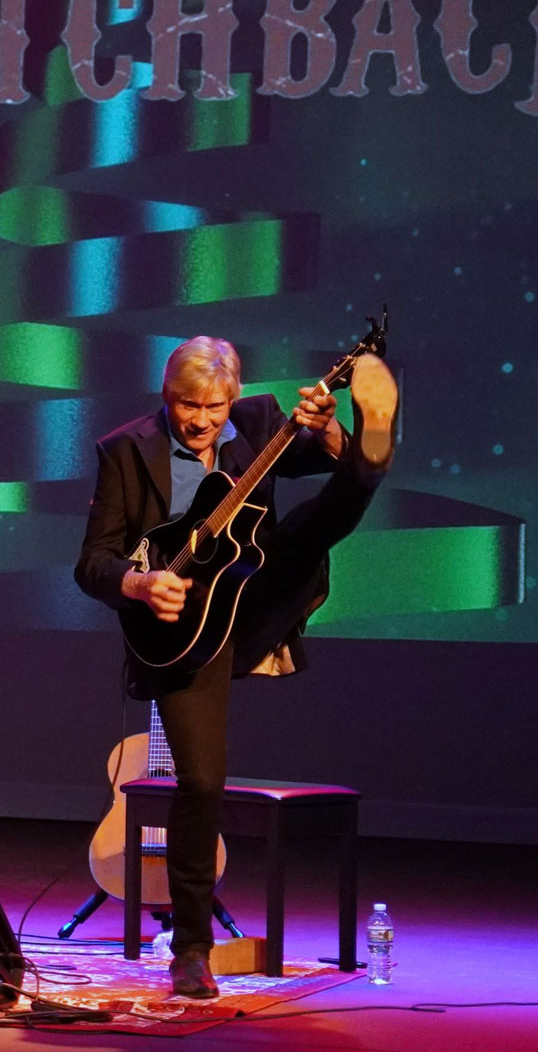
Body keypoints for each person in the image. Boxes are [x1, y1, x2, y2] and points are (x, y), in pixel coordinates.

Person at [74, 336, 396, 997]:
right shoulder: (125, 450)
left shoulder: (258, 423)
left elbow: (312, 458)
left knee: (309, 528)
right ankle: (191, 951)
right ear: (165, 397)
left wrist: (332, 430)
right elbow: (93, 561)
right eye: (185, 405)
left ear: (233, 398)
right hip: (179, 635)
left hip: (251, 602)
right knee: (201, 783)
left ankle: (374, 453)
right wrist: (138, 586)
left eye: (212, 407)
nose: (198, 420)